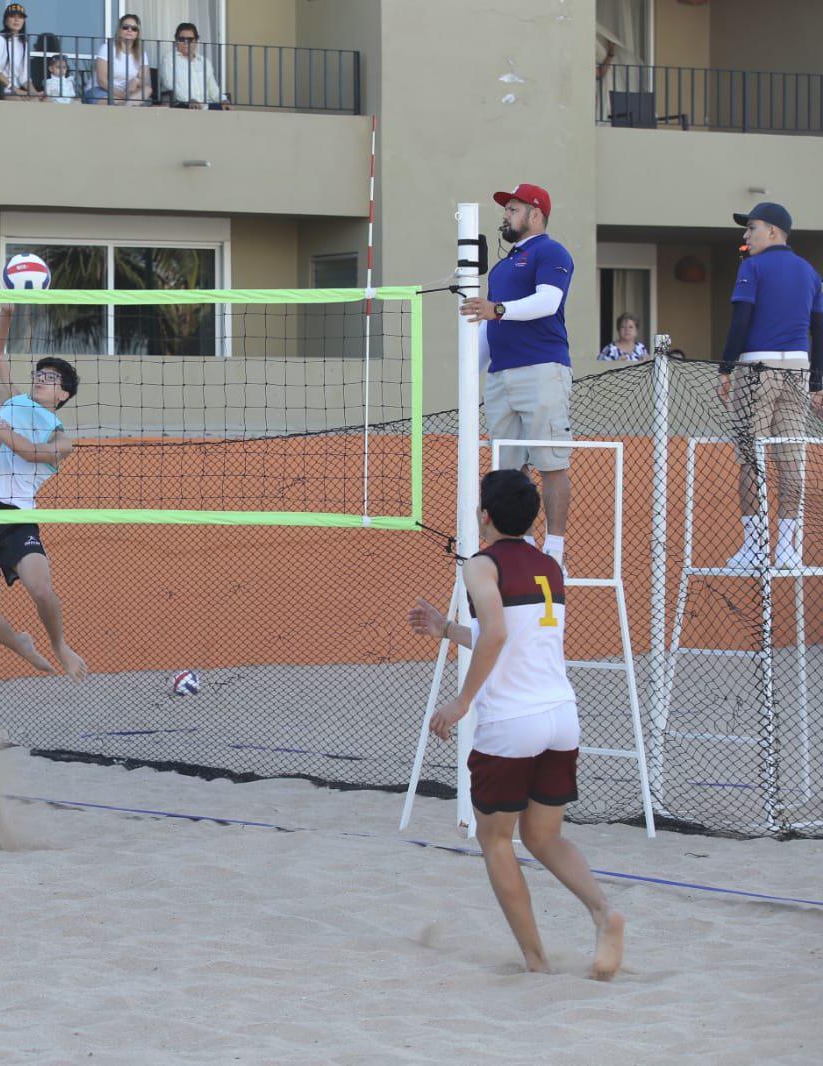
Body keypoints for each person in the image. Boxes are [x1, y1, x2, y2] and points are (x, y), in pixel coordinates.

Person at [407, 470, 625, 981]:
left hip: (512, 724)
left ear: (484, 516)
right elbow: (506, 635)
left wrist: (461, 702)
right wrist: (445, 629)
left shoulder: (482, 565)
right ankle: (603, 912)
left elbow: (498, 635)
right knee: (544, 837)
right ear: (534, 518)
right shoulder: (549, 564)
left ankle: (536, 962)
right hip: (560, 717)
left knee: (497, 840)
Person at [0, 297, 88, 680]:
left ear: (64, 396)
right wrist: (7, 312)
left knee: (41, 589)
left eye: (51, 378)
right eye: (39, 373)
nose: (42, 378)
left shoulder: (62, 440)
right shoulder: (13, 401)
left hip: (15, 515)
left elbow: (28, 451)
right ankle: (22, 644)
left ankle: (60, 645)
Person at [460, 182, 576, 570]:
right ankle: (518, 544)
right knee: (507, 468)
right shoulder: (504, 265)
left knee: (551, 462)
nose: (506, 216)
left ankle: (555, 550)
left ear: (536, 213)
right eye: (506, 209)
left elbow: (548, 301)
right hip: (501, 376)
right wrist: (466, 377)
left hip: (542, 369)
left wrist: (498, 310)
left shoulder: (552, 251)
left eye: (513, 209)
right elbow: (489, 328)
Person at [717, 202, 823, 570]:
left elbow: (740, 321)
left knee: (751, 456)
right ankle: (789, 549)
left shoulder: (753, 267)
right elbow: (820, 331)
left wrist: (726, 368)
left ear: (773, 232)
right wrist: (817, 382)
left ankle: (755, 547)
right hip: (798, 369)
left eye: (752, 228)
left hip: (756, 368)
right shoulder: (809, 272)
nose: (746, 236)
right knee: (792, 458)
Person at [159, 23, 231, 110]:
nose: (186, 42)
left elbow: (213, 88)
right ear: (176, 41)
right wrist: (189, 99)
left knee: (226, 109)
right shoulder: (169, 59)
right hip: (182, 106)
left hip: (206, 106)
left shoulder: (204, 62)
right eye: (182, 39)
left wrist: (223, 100)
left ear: (196, 41)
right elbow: (169, 84)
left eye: (190, 39)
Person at [87, 13, 150, 105]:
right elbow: (102, 81)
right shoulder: (107, 48)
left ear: (137, 33)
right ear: (119, 30)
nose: (129, 30)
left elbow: (144, 81)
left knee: (147, 90)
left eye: (134, 28)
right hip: (100, 90)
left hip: (127, 94)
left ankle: (127, 105)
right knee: (117, 101)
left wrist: (136, 81)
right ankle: (127, 105)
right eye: (125, 27)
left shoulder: (141, 54)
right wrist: (124, 97)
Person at [0, 3, 44, 101]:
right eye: (13, 16)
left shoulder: (23, 42)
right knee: (26, 103)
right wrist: (15, 89)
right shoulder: (0, 39)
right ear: (5, 20)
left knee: (44, 101)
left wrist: (35, 93)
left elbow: (24, 77)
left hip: (16, 91)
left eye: (20, 17)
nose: (17, 20)